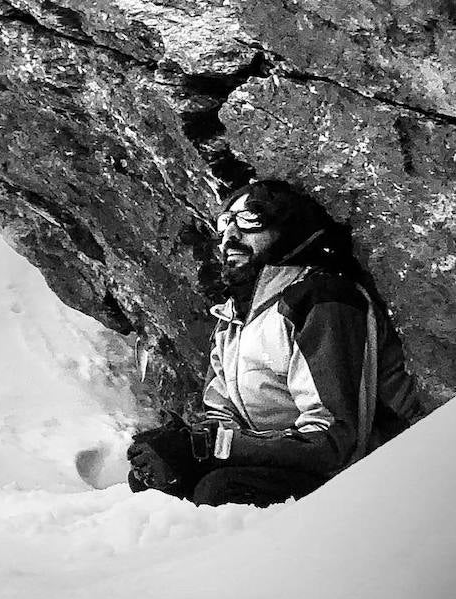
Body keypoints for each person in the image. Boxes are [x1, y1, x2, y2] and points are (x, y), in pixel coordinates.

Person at [127, 179, 423, 507]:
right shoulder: (234, 320)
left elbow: (335, 440)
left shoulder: (322, 301)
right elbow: (221, 415)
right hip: (293, 462)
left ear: (289, 230)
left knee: (221, 491)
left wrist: (215, 447)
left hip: (365, 474)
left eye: (251, 220)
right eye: (224, 223)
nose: (230, 235)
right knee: (157, 482)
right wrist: (187, 445)